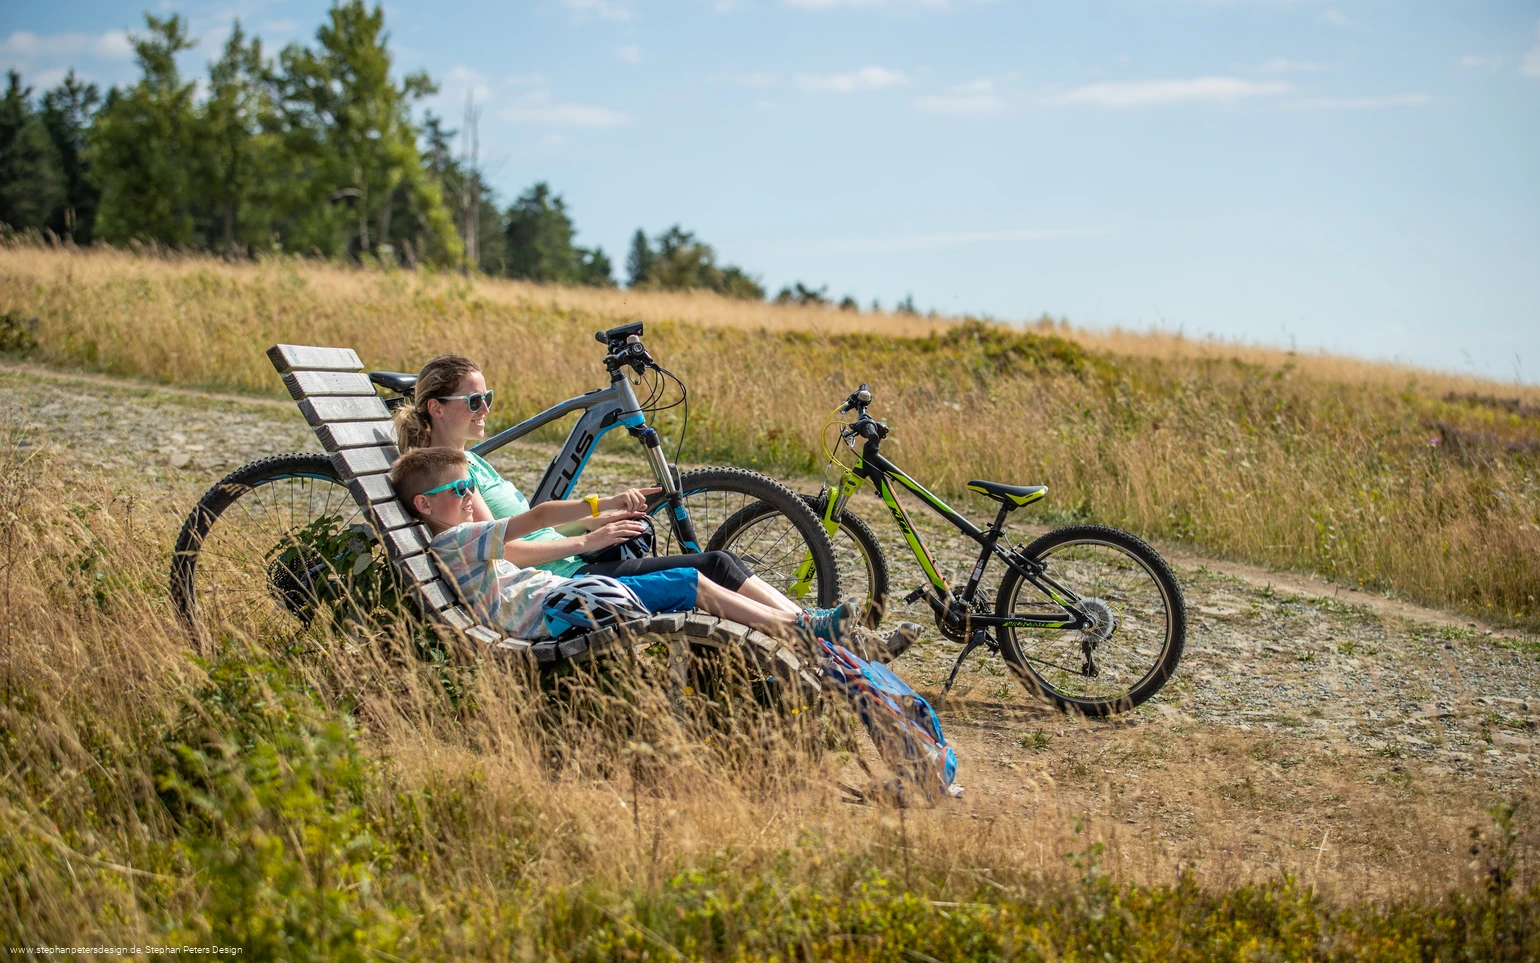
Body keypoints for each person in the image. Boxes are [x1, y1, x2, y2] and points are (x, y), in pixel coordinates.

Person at [393, 353, 917, 658]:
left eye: (488, 398)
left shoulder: (469, 465)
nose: (485, 408)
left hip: (570, 567)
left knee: (717, 565)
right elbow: (508, 549)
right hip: (566, 579)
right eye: (474, 401)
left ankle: (825, 634)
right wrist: (590, 537)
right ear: (436, 408)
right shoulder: (450, 482)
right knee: (712, 566)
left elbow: (527, 531)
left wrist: (601, 518)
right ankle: (819, 637)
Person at [388, 446, 855, 642]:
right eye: (459, 489)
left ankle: (798, 624)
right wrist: (600, 512)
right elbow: (540, 517)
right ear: (424, 505)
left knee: (691, 579)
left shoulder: (458, 539)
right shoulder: (456, 540)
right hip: (559, 608)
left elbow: (530, 531)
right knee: (689, 581)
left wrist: (599, 519)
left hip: (561, 599)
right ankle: (795, 627)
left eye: (471, 485)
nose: (469, 495)